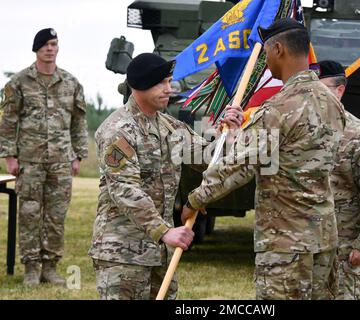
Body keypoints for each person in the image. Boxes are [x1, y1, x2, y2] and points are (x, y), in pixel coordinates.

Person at [181, 18, 346, 300]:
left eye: (266, 52)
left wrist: (195, 199)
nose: (265, 60)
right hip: (323, 237)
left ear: (279, 49)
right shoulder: (333, 103)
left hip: (285, 241)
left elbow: (242, 166)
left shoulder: (278, 108)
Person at [89, 52, 243, 300]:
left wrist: (229, 135)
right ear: (140, 85)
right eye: (161, 83)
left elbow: (207, 158)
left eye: (170, 82)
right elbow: (125, 190)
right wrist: (163, 231)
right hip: (123, 254)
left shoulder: (170, 126)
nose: (169, 89)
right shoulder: (118, 130)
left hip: (160, 251)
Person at [0, 28, 88, 287]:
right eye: (45, 44)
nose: (50, 48)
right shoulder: (18, 83)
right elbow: (8, 122)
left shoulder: (71, 83)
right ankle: (30, 267)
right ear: (36, 49)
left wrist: (78, 155)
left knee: (56, 215)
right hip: (29, 161)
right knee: (29, 214)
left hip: (61, 160)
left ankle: (50, 266)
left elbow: (78, 122)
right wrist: (9, 156)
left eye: (54, 44)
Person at [312, 60, 360, 299]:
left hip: (343, 249)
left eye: (321, 88)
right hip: (304, 247)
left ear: (340, 90)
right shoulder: (298, 131)